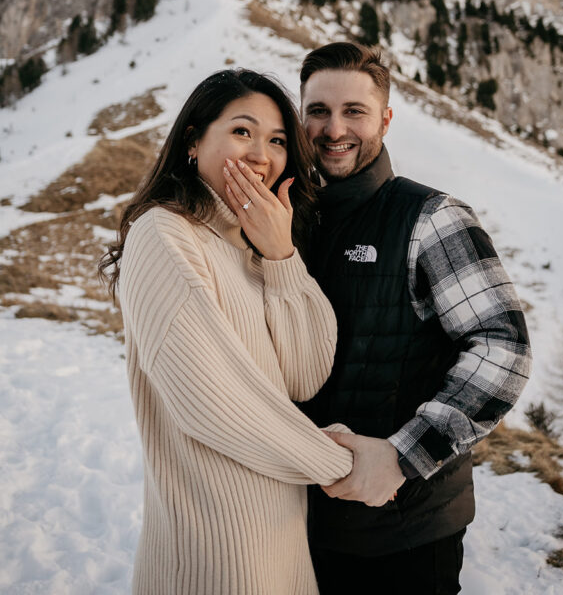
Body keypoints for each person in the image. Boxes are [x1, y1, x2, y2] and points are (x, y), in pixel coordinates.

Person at [99, 68, 353, 595]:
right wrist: (342, 466)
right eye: (242, 131)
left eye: (278, 140)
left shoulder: (258, 250)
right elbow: (209, 397)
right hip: (213, 551)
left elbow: (306, 377)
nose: (262, 154)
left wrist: (282, 256)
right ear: (193, 141)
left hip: (280, 537)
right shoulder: (164, 233)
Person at [298, 42, 532, 595]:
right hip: (301, 523)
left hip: (403, 530)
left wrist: (404, 456)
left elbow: (504, 347)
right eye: (318, 111)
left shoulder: (430, 218)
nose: (335, 130)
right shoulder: (287, 219)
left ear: (385, 117)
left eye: (354, 111)